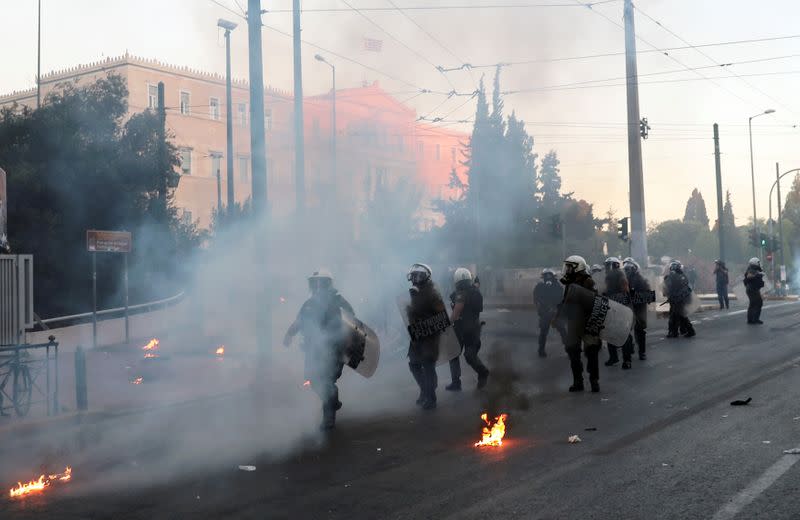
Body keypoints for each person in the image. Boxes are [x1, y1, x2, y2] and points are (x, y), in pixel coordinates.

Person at [283, 269, 354, 430]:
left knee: (327, 382)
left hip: (333, 350)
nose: (317, 286)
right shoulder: (308, 304)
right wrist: (289, 335)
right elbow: (300, 321)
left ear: (328, 284)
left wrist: (344, 340)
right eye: (314, 283)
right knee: (314, 381)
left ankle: (329, 419)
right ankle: (333, 401)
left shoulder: (337, 301)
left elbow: (351, 321)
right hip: (313, 351)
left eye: (320, 282)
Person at [405, 263, 446, 410]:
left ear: (425, 276)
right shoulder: (416, 292)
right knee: (414, 365)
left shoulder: (432, 293)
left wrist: (424, 326)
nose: (415, 278)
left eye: (418, 275)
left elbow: (442, 319)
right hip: (417, 338)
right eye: (413, 275)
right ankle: (425, 390)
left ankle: (431, 398)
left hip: (429, 339)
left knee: (428, 367)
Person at [560, 255, 602, 393]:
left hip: (588, 321)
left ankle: (594, 381)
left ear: (577, 267)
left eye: (570, 266)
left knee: (591, 352)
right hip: (574, 322)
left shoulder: (588, 281)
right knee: (573, 352)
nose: (567, 269)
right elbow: (566, 301)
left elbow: (596, 301)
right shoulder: (569, 283)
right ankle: (578, 381)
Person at [446, 267, 490, 391]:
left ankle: (456, 382)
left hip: (461, 328)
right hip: (474, 328)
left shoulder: (460, 293)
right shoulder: (475, 291)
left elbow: (456, 312)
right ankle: (482, 372)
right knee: (470, 356)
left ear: (457, 280)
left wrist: (447, 323)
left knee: (453, 354)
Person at [602, 257, 635, 369]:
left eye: (608, 265)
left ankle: (627, 360)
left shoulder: (620, 276)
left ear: (613, 265)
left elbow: (625, 291)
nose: (606, 268)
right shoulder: (608, 277)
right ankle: (614, 357)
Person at [533, 268, 566, 358]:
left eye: (549, 275)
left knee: (563, 330)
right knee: (543, 332)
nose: (548, 277)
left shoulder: (558, 287)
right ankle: (541, 350)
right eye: (546, 276)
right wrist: (540, 308)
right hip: (545, 313)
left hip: (556, 313)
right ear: (543, 277)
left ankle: (569, 348)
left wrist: (556, 309)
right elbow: (536, 299)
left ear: (553, 277)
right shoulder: (539, 286)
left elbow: (561, 299)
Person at [623, 257, 651, 361]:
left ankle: (642, 352)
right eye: (626, 269)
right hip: (628, 307)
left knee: (640, 330)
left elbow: (648, 294)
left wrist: (638, 296)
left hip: (639, 308)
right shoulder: (623, 280)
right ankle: (630, 348)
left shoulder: (641, 279)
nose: (627, 270)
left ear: (634, 268)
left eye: (629, 268)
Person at [663, 261, 696, 338]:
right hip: (681, 299)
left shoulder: (672, 276)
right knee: (680, 315)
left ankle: (674, 332)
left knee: (674, 316)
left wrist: (669, 294)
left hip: (676, 299)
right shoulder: (683, 276)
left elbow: (668, 288)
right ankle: (686, 330)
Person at [744, 257, 765, 325]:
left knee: (756, 303)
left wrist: (759, 273)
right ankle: (752, 319)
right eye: (758, 262)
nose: (759, 263)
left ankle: (754, 319)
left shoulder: (754, 269)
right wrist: (758, 274)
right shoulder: (751, 268)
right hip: (752, 289)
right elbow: (749, 276)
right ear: (755, 262)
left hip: (754, 289)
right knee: (755, 304)